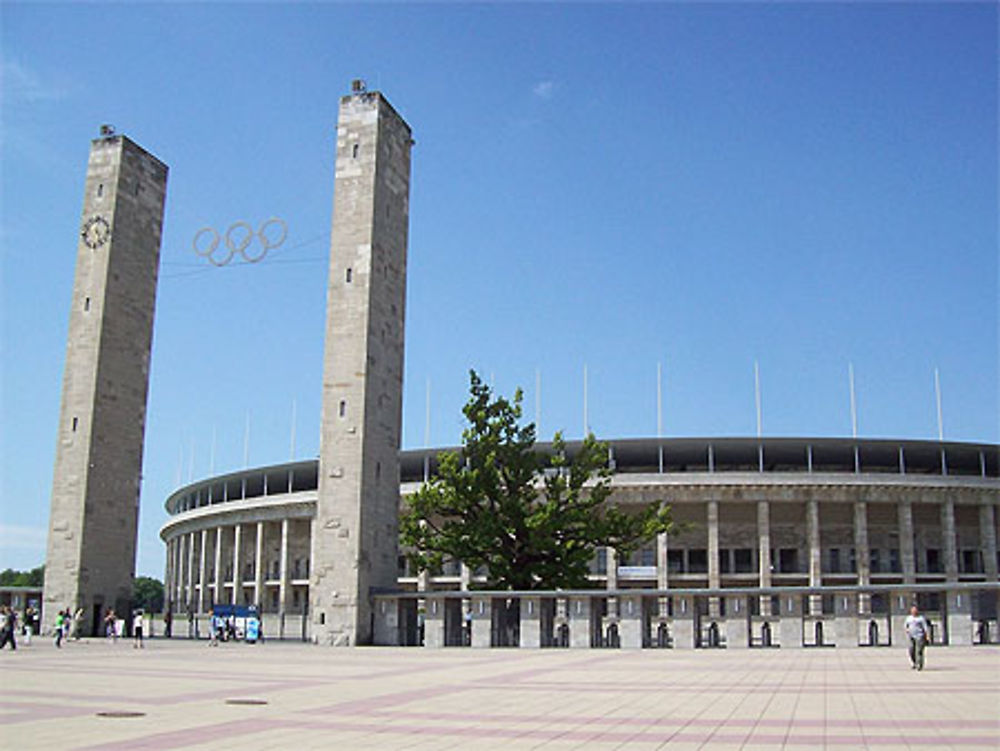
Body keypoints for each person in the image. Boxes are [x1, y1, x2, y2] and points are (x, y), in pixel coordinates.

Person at [904, 604, 931, 671]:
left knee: (919, 651)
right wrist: (907, 630)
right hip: (911, 636)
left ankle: (919, 665)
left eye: (915, 610)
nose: (914, 611)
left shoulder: (921, 618)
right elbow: (905, 626)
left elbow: (925, 628)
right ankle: (914, 662)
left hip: (919, 636)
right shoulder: (909, 618)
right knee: (911, 650)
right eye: (912, 610)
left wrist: (927, 636)